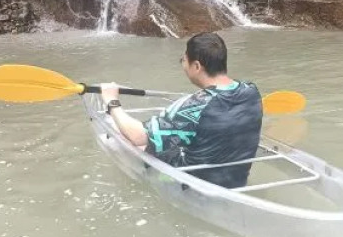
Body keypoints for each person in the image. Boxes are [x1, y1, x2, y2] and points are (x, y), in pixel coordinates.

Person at [101, 32, 263, 188]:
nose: (183, 65)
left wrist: (111, 100)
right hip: (236, 181)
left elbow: (137, 136)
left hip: (194, 185)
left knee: (122, 136)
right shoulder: (251, 91)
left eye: (183, 60)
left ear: (197, 66)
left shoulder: (194, 106)